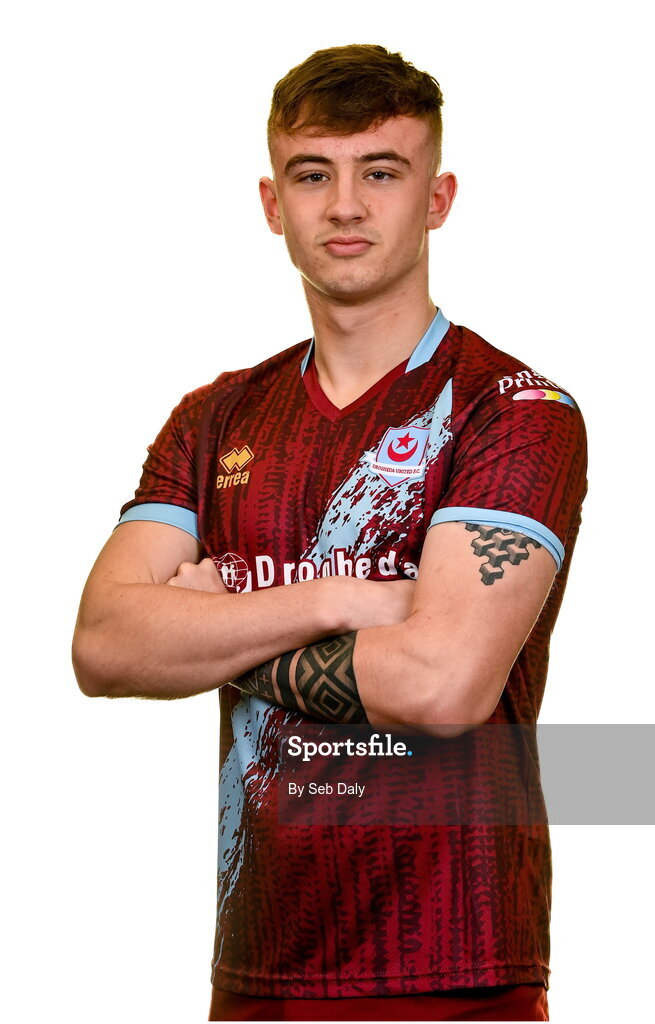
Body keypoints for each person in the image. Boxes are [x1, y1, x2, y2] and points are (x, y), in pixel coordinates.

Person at [73, 43, 586, 1022]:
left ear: (435, 199)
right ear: (274, 204)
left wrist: (206, 634)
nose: (345, 205)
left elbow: (442, 686)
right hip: (257, 967)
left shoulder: (514, 409)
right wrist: (332, 598)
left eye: (380, 172)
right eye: (314, 174)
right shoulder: (213, 418)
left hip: (454, 967)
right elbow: (101, 644)